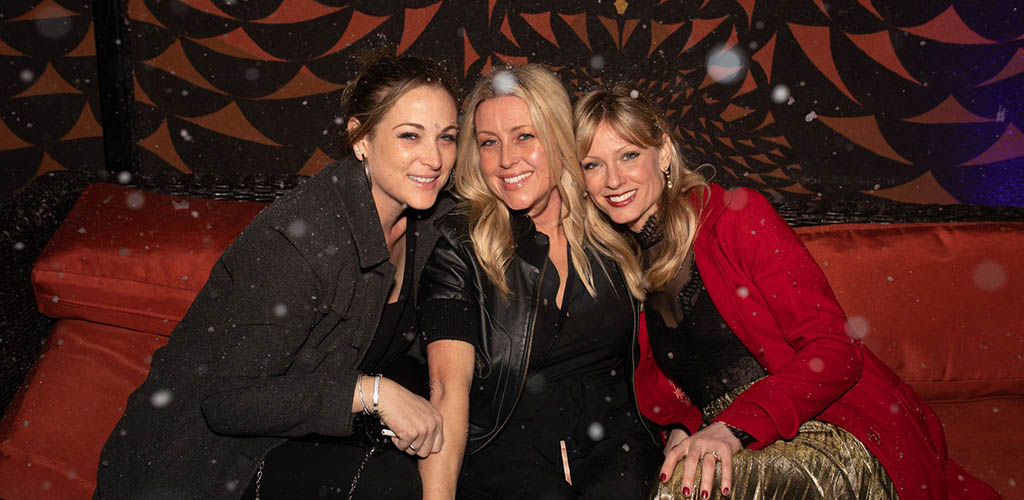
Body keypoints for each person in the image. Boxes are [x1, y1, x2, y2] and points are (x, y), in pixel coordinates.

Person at [572, 83, 1001, 500]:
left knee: (679, 492)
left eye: (628, 155)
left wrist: (734, 425)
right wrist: (683, 429)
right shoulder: (625, 265)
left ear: (663, 153)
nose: (613, 179)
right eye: (593, 165)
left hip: (827, 427)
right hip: (734, 439)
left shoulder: (736, 218)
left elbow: (835, 350)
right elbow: (676, 385)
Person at [93, 53, 459, 500]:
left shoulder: (428, 221)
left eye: (447, 137)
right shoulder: (300, 239)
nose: (434, 158)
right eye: (410, 135)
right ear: (360, 138)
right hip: (199, 465)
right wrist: (370, 393)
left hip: (292, 441)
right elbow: (227, 402)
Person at [416, 65, 662, 500]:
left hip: (616, 437)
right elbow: (447, 387)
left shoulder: (613, 219)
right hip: (507, 444)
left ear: (557, 137)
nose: (506, 159)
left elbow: (680, 342)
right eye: (489, 142)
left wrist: (685, 425)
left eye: (524, 136)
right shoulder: (461, 248)